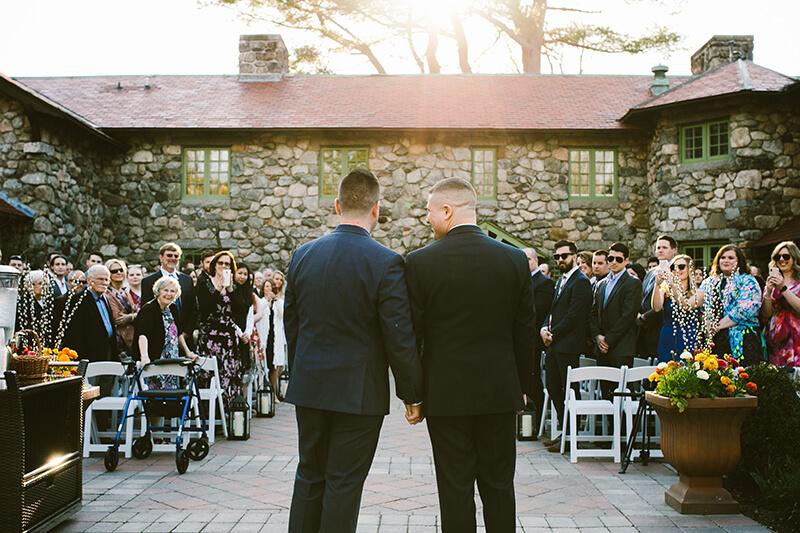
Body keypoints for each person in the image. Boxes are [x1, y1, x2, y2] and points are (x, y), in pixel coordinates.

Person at [284, 169, 423, 533]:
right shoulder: (386, 261)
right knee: (343, 482)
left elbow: (292, 324)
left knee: (309, 474)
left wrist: (301, 371)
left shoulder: (303, 255)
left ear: (337, 205)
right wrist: (411, 392)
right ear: (376, 209)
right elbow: (398, 335)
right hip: (358, 393)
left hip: (310, 387)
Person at [406, 178, 533, 532]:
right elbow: (524, 331)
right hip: (499, 392)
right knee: (499, 486)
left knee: (454, 489)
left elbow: (412, 335)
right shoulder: (514, 260)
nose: (427, 219)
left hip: (446, 396)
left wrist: (413, 393)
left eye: (430, 211)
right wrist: (524, 388)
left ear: (447, 211)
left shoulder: (420, 262)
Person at [541, 239, 592, 452]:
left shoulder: (580, 281)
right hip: (555, 344)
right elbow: (553, 311)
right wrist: (544, 328)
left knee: (570, 390)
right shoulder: (561, 281)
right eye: (557, 257)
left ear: (574, 256)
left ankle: (572, 436)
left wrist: (553, 334)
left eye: (564, 256)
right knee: (553, 387)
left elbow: (574, 316)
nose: (560, 259)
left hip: (568, 345)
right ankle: (565, 431)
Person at [590, 242, 643, 399]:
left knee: (623, 396)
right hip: (602, 348)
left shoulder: (633, 283)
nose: (613, 262)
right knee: (606, 395)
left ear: (626, 261)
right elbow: (593, 313)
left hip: (621, 348)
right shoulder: (601, 284)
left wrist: (608, 340)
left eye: (618, 259)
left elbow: (628, 316)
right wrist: (598, 337)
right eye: (610, 258)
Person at [197, 251, 248, 407]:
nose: (224, 266)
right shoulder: (204, 283)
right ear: (214, 265)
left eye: (227, 264)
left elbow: (240, 311)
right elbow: (205, 310)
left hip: (228, 336)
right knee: (209, 372)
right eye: (220, 263)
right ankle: (208, 410)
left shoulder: (234, 286)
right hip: (210, 334)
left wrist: (231, 290)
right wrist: (218, 288)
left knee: (228, 371)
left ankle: (227, 409)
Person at [698, 244, 763, 365]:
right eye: (722, 257)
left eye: (730, 258)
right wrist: (707, 323)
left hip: (741, 339)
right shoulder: (709, 282)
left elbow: (747, 308)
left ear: (739, 261)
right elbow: (701, 306)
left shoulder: (748, 281)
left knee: (742, 373)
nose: (726, 260)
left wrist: (717, 326)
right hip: (715, 339)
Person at [133, 276, 197, 389]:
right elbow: (142, 335)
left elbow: (178, 334)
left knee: (173, 392)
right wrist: (144, 357)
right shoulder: (148, 309)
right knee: (156, 393)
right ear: (158, 291)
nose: (169, 294)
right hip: (155, 360)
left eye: (172, 291)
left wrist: (188, 352)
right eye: (165, 290)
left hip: (172, 360)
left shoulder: (173, 308)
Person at [62, 265, 118, 364]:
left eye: (106, 279)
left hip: (107, 353)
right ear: (89, 280)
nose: (104, 282)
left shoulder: (105, 299)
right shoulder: (78, 300)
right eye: (100, 279)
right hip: (88, 357)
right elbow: (74, 334)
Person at [524, 247, 554, 431]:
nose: (524, 263)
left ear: (535, 260)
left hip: (535, 338)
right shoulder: (522, 280)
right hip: (524, 339)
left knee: (534, 380)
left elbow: (538, 310)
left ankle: (537, 421)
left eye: (527, 259)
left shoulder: (544, 283)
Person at [652, 255, 703, 363]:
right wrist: (657, 285)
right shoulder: (665, 290)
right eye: (673, 267)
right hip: (667, 335)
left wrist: (673, 285)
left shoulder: (699, 293)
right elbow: (656, 307)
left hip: (688, 336)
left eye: (681, 266)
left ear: (690, 269)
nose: (677, 270)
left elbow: (685, 306)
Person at [141, 243, 198, 337]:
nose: (173, 258)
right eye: (169, 255)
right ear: (161, 257)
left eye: (176, 256)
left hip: (185, 334)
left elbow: (193, 309)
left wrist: (186, 333)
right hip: (159, 334)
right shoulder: (148, 281)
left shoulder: (187, 280)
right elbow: (146, 311)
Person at [638, 235, 678, 359]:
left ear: (674, 250)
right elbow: (643, 296)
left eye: (664, 247)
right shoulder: (651, 272)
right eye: (658, 247)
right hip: (644, 329)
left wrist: (644, 317)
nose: (660, 250)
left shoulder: (677, 271)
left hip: (662, 324)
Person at [763, 241, 800, 367]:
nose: (781, 260)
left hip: (797, 338)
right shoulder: (772, 281)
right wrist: (768, 292)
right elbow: (766, 314)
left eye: (786, 256)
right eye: (777, 257)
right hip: (775, 340)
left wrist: (783, 288)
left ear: (794, 258)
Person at [105, 259, 138, 354]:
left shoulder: (125, 291)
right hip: (119, 340)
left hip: (131, 337)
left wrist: (131, 316)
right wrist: (134, 316)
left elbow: (137, 311)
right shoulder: (107, 294)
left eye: (121, 270)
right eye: (114, 271)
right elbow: (118, 319)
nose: (119, 272)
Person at [269, 270, 288, 395]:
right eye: (276, 279)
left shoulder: (283, 296)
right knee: (275, 363)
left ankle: (278, 391)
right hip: (273, 329)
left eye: (281, 280)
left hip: (281, 330)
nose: (279, 281)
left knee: (281, 363)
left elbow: (284, 314)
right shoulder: (269, 294)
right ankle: (273, 392)